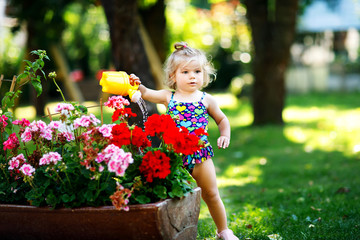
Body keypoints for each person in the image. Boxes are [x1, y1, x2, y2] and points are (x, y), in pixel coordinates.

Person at [129, 42, 238, 240]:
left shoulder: (206, 99)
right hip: (174, 158)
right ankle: (174, 232)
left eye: (197, 71)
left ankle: (223, 230)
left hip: (201, 157)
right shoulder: (167, 97)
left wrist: (225, 135)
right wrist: (137, 84)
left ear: (203, 74)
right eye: (185, 72)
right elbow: (145, 93)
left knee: (211, 194)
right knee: (172, 198)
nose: (192, 76)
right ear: (173, 76)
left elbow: (222, 119)